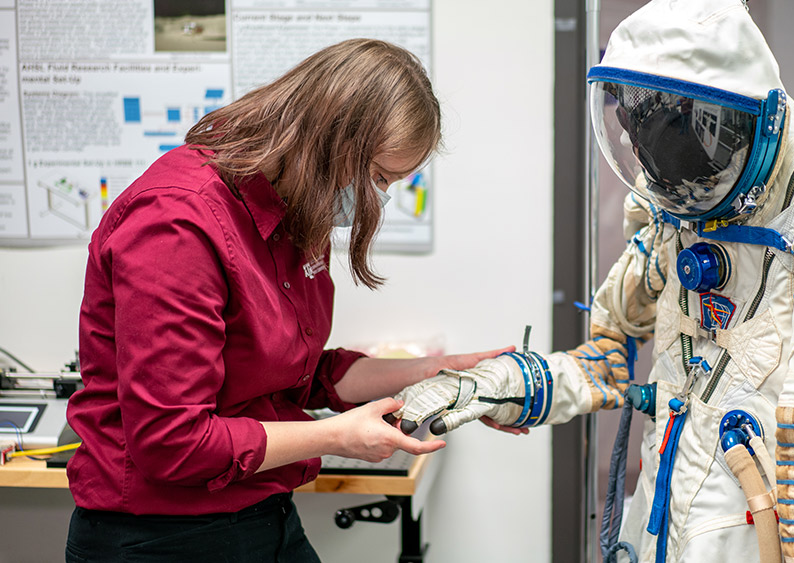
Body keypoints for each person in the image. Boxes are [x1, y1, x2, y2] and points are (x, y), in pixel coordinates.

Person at [394, 2, 794, 562]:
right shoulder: (675, 208)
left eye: (689, 162)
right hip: (657, 519)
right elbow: (606, 360)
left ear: (739, 125)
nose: (673, 182)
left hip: (748, 532)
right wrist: (500, 385)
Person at [65, 38, 508, 562]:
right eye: (378, 177)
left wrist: (435, 373)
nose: (380, 198)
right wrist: (336, 437)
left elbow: (302, 376)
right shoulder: (177, 222)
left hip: (264, 513)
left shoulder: (294, 205)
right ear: (330, 140)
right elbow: (172, 442)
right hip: (160, 537)